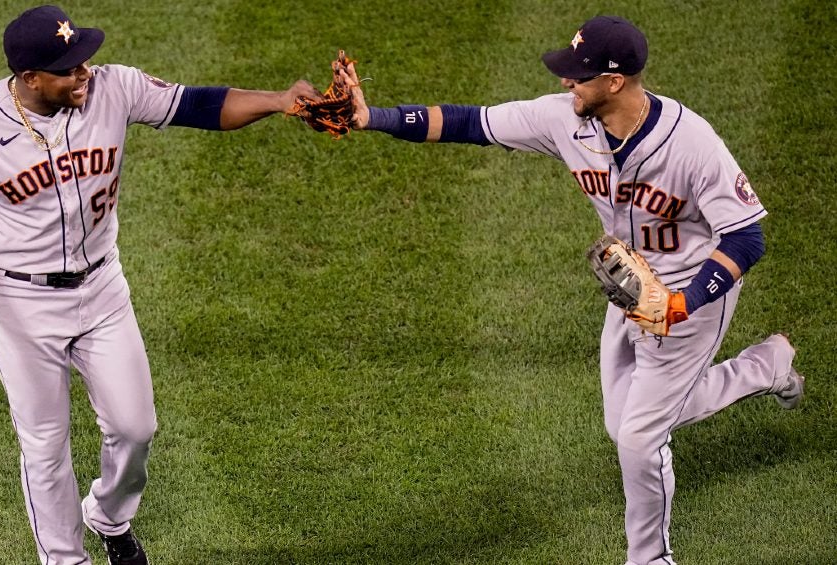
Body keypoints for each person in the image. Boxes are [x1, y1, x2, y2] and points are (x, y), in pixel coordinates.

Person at [336, 15, 805, 565]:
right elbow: (469, 122)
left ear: (614, 82)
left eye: (579, 75)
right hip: (628, 284)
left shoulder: (693, 144)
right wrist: (371, 119)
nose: (566, 82)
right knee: (626, 421)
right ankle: (763, 368)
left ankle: (650, 559)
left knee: (638, 439)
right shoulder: (566, 120)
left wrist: (684, 303)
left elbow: (747, 238)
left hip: (695, 293)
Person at [0, 5, 319, 564]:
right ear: (30, 79)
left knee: (136, 427)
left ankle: (110, 517)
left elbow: (200, 105)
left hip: (102, 288)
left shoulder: (117, 87)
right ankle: (65, 559)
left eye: (84, 58)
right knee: (45, 446)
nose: (85, 72)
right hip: (21, 301)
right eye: (68, 68)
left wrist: (279, 101)